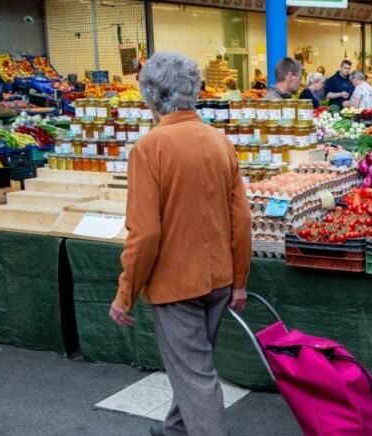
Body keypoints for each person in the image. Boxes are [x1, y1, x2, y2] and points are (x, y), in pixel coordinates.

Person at [109, 52, 251, 436]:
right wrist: (238, 281)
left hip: (175, 288)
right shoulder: (220, 142)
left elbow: (145, 234)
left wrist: (126, 294)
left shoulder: (150, 148)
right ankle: (175, 431)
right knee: (194, 367)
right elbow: (241, 219)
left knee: (196, 377)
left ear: (151, 97)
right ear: (194, 91)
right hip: (218, 281)